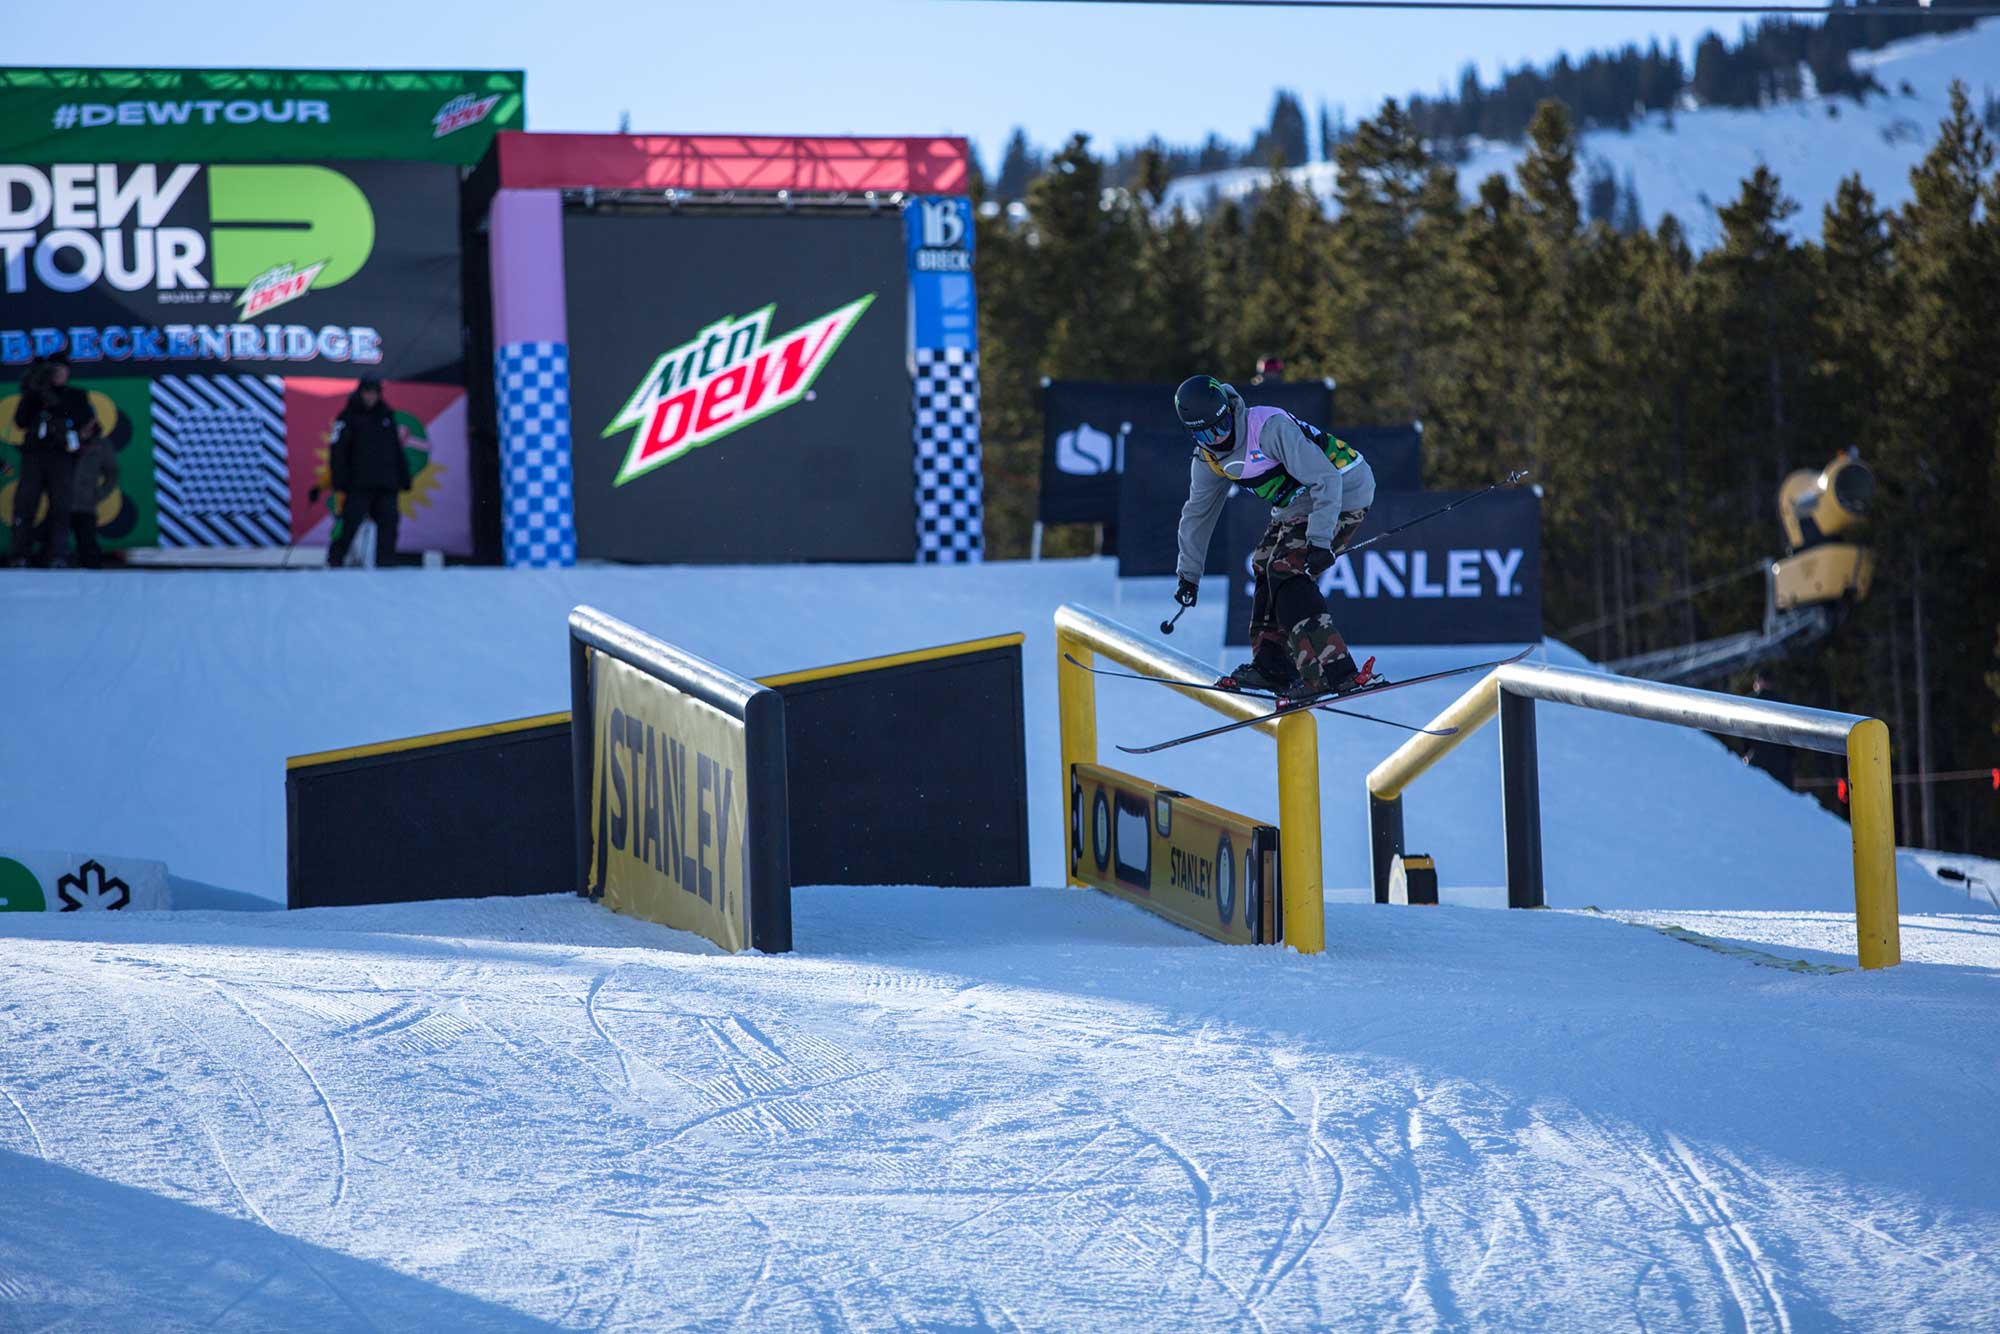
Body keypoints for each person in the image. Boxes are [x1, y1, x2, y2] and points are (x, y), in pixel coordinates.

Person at [1170, 374, 1376, 697]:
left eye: (1221, 427)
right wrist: (1189, 575)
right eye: (1205, 434)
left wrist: (1320, 540)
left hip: (1344, 489)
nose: (1218, 439)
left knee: (1286, 570)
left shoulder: (1265, 428)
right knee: (1264, 564)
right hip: (1296, 504)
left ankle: (1333, 671)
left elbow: (1326, 479)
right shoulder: (1208, 458)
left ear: (1229, 412)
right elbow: (1198, 514)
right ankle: (1272, 666)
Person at [9, 352, 96, 568]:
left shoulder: (76, 395)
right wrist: (34, 394)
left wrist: (56, 405)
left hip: (62, 456)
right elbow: (21, 422)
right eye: (53, 370)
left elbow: (89, 424)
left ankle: (57, 554)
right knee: (25, 505)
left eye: (61, 370)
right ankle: (20, 554)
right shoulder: (34, 395)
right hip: (34, 456)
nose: (58, 374)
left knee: (61, 506)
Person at [325, 377, 412, 567]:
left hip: (386, 483)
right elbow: (337, 452)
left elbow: (396, 450)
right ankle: (336, 559)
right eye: (367, 392)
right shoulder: (347, 417)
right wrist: (340, 480)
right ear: (360, 393)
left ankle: (386, 562)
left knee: (389, 524)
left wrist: (403, 477)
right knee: (350, 523)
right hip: (358, 483)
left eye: (374, 393)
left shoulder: (386, 416)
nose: (371, 397)